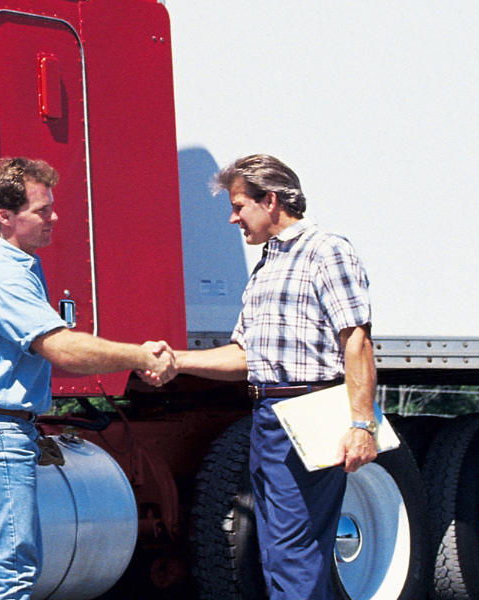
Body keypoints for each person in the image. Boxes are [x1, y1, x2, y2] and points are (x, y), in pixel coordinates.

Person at [0, 157, 177, 600]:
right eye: (41, 209)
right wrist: (139, 353)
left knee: (9, 572)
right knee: (8, 577)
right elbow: (62, 348)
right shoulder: (4, 276)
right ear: (6, 217)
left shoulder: (20, 265)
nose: (54, 217)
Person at [172, 154, 377, 600]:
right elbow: (244, 356)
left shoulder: (326, 251)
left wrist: (362, 424)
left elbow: (356, 341)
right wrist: (178, 362)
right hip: (267, 415)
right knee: (277, 554)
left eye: (239, 205)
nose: (233, 218)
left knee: (292, 554)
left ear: (270, 201)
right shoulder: (267, 266)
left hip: (308, 410)